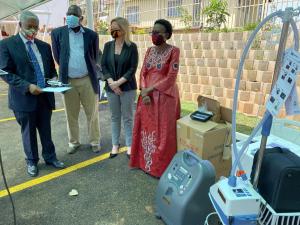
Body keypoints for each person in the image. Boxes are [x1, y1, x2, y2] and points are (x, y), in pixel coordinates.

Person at [0, 11, 65, 177]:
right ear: (20, 25)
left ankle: (50, 157)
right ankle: (32, 161)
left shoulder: (44, 46)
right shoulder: (7, 45)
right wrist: (28, 86)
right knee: (28, 133)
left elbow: (50, 70)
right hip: (24, 98)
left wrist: (56, 82)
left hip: (45, 97)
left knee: (46, 130)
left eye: (36, 27)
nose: (33, 30)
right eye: (29, 26)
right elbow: (5, 72)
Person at [130, 19, 180, 178]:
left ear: (166, 34)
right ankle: (144, 163)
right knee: (146, 128)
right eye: (152, 31)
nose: (154, 34)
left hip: (164, 98)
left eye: (157, 32)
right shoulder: (149, 51)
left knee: (163, 132)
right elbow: (143, 72)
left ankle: (160, 169)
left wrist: (150, 90)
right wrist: (143, 90)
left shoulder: (174, 51)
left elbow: (171, 77)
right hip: (146, 98)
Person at [51, 5, 101, 154]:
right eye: (69, 14)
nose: (71, 16)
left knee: (92, 113)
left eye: (74, 14)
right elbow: (57, 55)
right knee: (71, 114)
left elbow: (94, 56)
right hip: (68, 81)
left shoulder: (92, 35)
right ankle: (74, 142)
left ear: (81, 18)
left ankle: (95, 141)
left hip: (87, 79)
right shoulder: (57, 33)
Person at [101, 17, 138, 158]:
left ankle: (130, 145)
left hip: (127, 88)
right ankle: (115, 144)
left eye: (115, 28)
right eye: (111, 28)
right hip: (111, 88)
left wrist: (118, 83)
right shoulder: (108, 46)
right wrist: (112, 82)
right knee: (115, 117)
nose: (112, 31)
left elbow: (132, 69)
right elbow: (103, 65)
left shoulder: (132, 47)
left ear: (123, 30)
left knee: (128, 117)